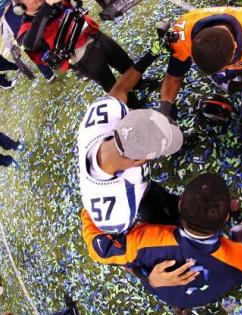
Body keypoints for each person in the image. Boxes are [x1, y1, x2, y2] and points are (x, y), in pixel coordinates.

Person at [81, 173, 242, 310]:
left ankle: (177, 305)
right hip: (200, 296)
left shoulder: (147, 240)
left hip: (165, 289)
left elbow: (100, 249)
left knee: (149, 197)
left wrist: (91, 206)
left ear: (180, 204)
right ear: (226, 217)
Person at [158, 6, 242, 172]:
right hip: (230, 63)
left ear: (236, 46)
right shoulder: (182, 35)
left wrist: (240, 86)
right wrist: (164, 109)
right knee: (222, 79)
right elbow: (173, 76)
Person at [77, 47, 183, 234]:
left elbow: (120, 88)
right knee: (162, 216)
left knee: (164, 197)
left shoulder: (104, 115)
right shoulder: (119, 213)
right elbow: (126, 248)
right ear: (139, 161)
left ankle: (175, 205)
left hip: (139, 186)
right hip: (140, 203)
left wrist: (152, 52)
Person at [17, 0, 155, 97]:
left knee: (124, 62)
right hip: (82, 57)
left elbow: (77, 5)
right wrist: (47, 6)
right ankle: (132, 103)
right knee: (110, 84)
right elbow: (30, 43)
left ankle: (139, 84)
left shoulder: (56, 4)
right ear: (20, 6)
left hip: (96, 36)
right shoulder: (25, 28)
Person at [0, 0, 55, 82]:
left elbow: (5, 37)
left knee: (36, 55)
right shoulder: (20, 4)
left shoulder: (4, 20)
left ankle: (49, 75)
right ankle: (56, 62)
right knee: (45, 44)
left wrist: (11, 47)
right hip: (33, 28)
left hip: (24, 37)